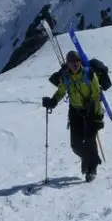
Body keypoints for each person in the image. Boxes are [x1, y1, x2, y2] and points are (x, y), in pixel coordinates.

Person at [42, 50, 104, 181]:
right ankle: (91, 159)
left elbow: (96, 95)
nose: (75, 64)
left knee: (89, 141)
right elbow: (61, 92)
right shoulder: (66, 77)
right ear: (68, 64)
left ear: (80, 62)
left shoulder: (89, 74)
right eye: (71, 62)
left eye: (77, 61)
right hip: (75, 112)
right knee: (75, 145)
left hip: (90, 112)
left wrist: (96, 116)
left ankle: (91, 169)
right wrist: (52, 102)